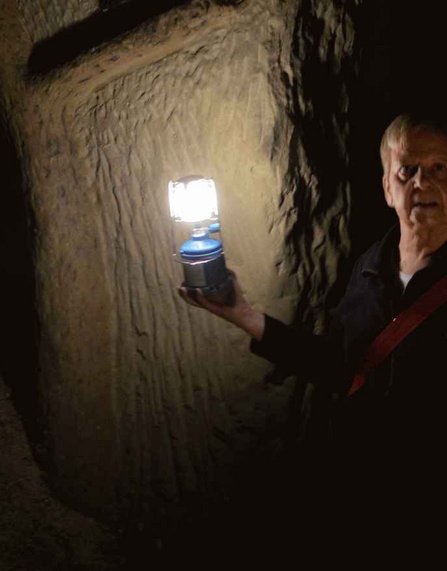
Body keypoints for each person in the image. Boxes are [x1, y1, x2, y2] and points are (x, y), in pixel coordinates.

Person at [179, 110, 447, 529]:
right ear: (387, 189)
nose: (422, 183)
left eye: (439, 168)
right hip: (362, 489)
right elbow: (340, 366)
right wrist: (244, 315)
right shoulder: (369, 269)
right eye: (407, 170)